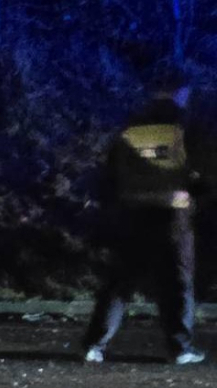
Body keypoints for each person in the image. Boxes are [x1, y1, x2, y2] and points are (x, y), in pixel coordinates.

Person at [82, 70, 206, 365]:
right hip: (172, 214)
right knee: (177, 284)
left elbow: (111, 170)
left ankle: (94, 344)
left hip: (132, 212)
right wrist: (196, 195)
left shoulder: (130, 125)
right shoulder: (186, 126)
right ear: (180, 92)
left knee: (120, 282)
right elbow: (201, 168)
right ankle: (180, 347)